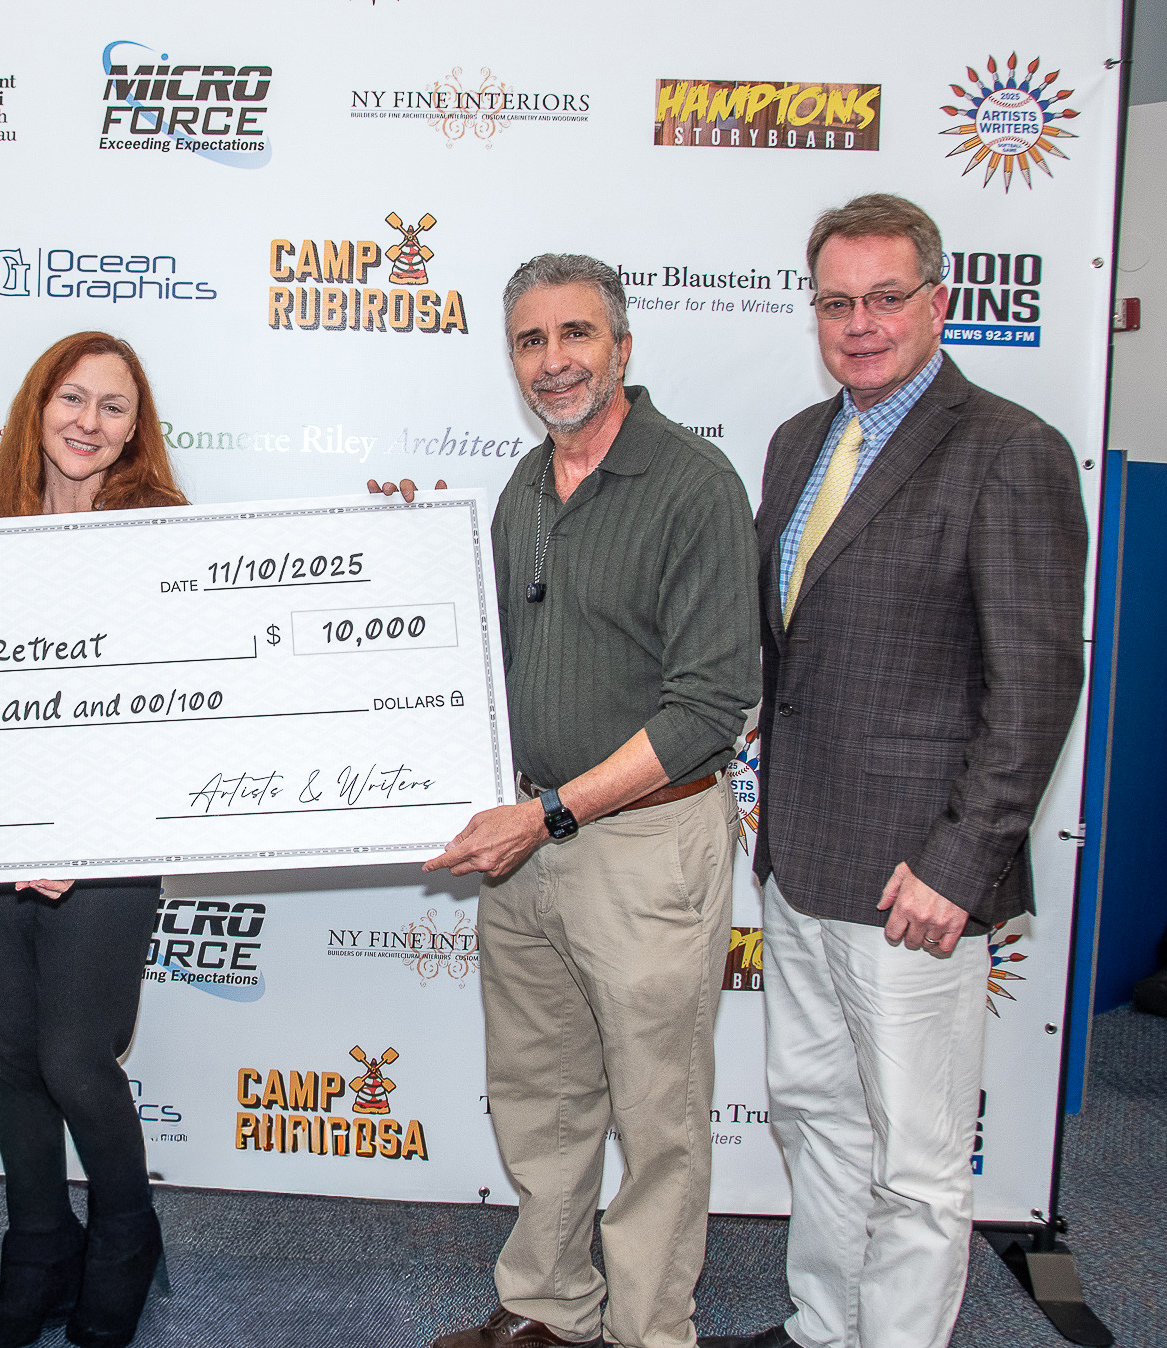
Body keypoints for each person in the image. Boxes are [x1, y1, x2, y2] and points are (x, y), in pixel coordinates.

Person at [701, 195, 1087, 1348]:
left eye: (884, 298)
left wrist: (960, 864)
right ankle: (823, 1321)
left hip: (918, 879)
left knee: (917, 1163)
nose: (859, 323)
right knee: (816, 1115)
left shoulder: (1009, 450)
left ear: (937, 301)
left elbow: (1032, 687)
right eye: (836, 301)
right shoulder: (795, 441)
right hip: (802, 859)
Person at [378, 254, 760, 1348]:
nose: (555, 361)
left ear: (623, 348)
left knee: (658, 1117)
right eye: (530, 341)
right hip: (528, 842)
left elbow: (709, 704)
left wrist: (551, 815)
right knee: (543, 1097)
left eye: (576, 335)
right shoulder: (521, 486)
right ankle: (550, 1305)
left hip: (640, 844)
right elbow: (481, 651)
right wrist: (407, 561)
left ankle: (649, 1331)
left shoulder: (692, 484)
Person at [0, 330, 183, 1348]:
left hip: (111, 844)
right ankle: (39, 1251)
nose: (89, 422)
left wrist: (84, 834)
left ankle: (125, 1241)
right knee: (7, 1057)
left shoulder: (165, 533)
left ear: (138, 427)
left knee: (74, 1059)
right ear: (37, 406)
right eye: (72, 399)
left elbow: (180, 704)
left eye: (114, 406)